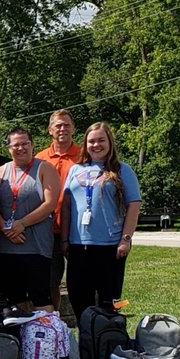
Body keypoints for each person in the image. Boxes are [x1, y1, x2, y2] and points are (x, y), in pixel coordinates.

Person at [60, 122, 141, 318]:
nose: (96, 145)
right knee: (80, 301)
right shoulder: (75, 170)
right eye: (91, 141)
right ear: (85, 144)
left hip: (110, 246)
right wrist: (64, 240)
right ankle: (87, 345)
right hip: (79, 246)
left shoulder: (123, 170)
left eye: (101, 140)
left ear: (110, 143)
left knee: (110, 304)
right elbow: (67, 206)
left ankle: (109, 342)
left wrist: (126, 239)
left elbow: (134, 205)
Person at [0, 127, 60, 314]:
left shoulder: (45, 168)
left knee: (40, 297)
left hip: (36, 246)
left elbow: (50, 203)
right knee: (13, 300)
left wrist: (22, 224)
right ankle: (17, 340)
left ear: (32, 144)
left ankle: (45, 339)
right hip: (4, 247)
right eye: (15, 145)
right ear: (8, 148)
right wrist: (6, 228)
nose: (20, 148)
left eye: (24, 144)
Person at [36, 109, 83, 312]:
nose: (62, 129)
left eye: (66, 125)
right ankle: (53, 322)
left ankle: (87, 319)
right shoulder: (40, 158)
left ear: (73, 128)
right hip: (49, 229)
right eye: (58, 125)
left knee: (81, 281)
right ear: (50, 130)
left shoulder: (84, 156)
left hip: (79, 230)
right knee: (51, 280)